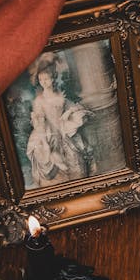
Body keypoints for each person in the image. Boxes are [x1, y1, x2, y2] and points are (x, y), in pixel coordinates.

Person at [25, 58, 95, 187]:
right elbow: (39, 121)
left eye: (46, 79)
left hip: (63, 129)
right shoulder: (39, 100)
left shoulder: (60, 96)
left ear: (53, 78)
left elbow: (71, 106)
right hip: (48, 132)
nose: (44, 82)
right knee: (48, 154)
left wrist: (70, 112)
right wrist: (45, 140)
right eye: (41, 80)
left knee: (76, 156)